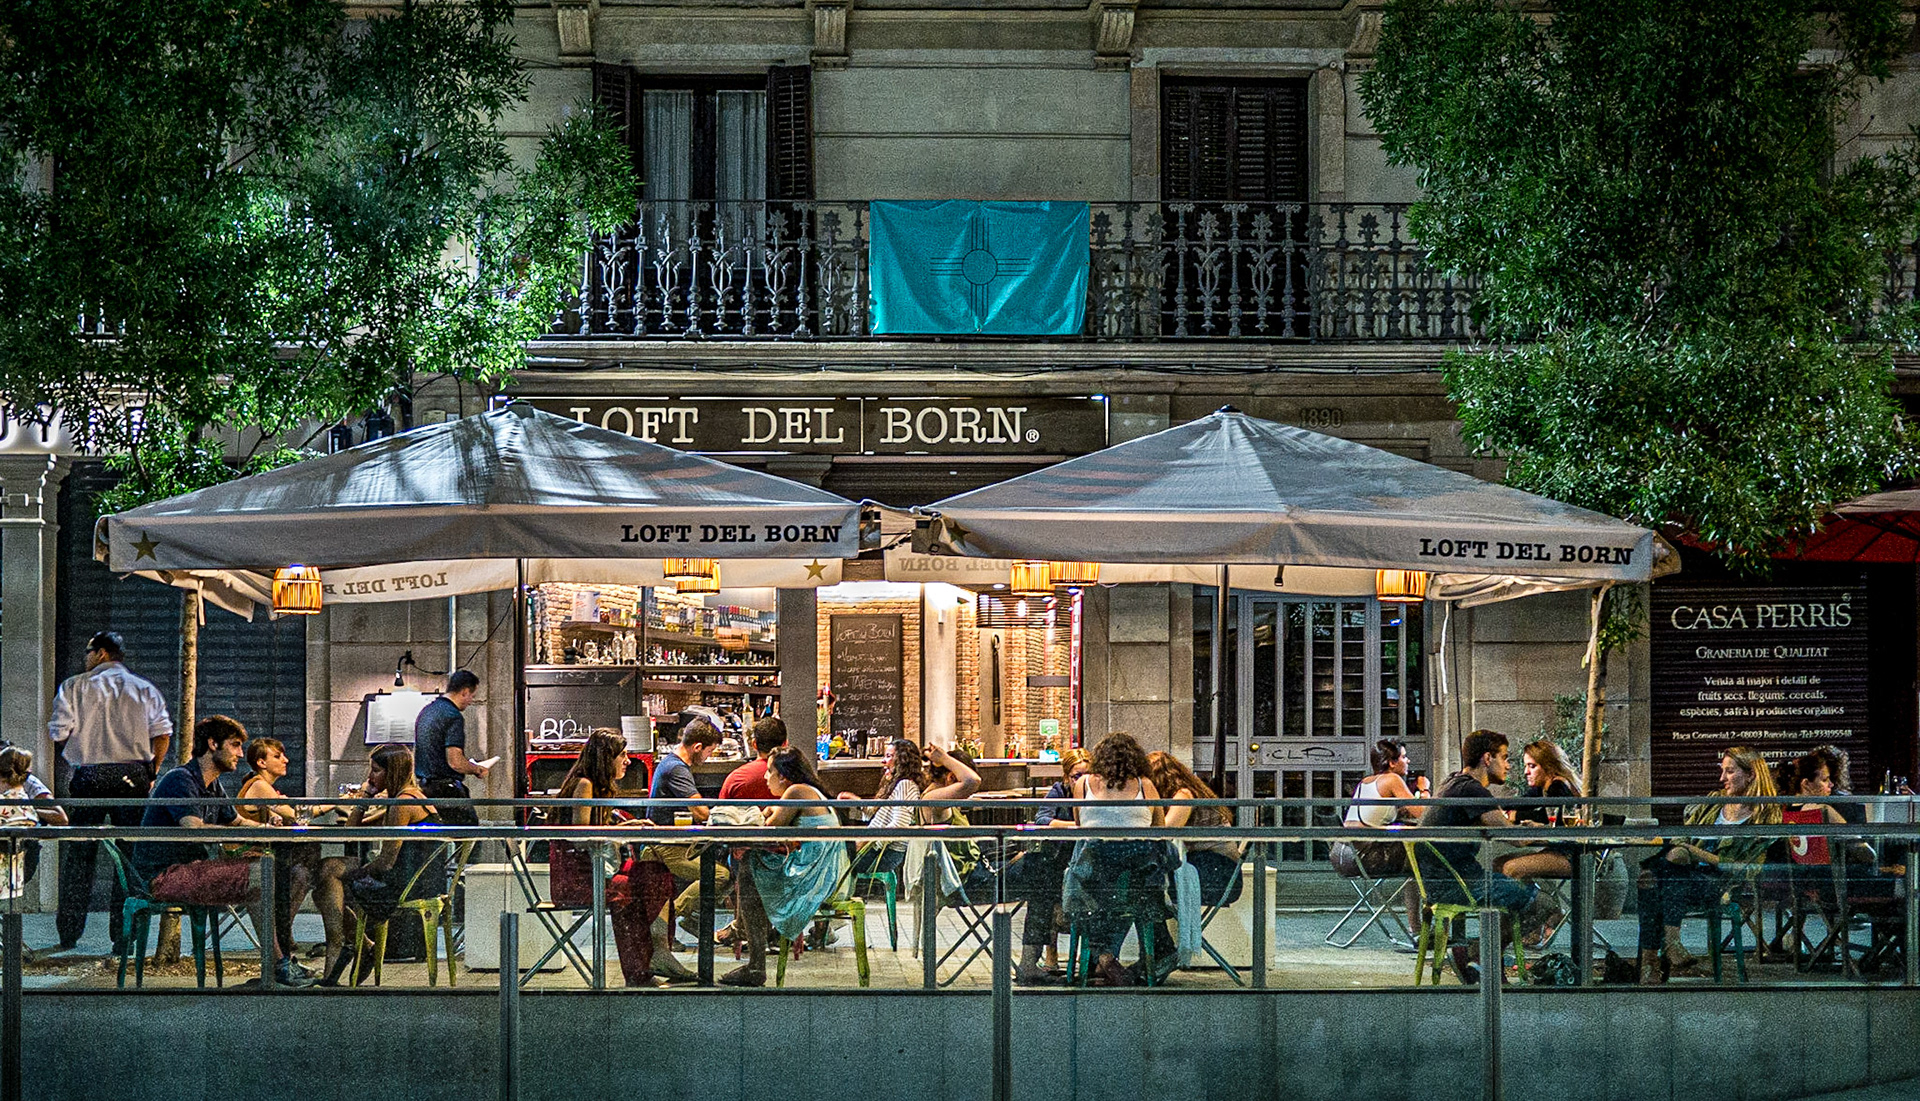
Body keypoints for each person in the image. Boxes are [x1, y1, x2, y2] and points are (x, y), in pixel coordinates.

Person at [137, 715, 314, 987]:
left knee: (281, 871)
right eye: (235, 745)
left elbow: (236, 821)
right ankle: (277, 964)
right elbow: (193, 827)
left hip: (192, 869)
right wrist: (249, 834)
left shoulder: (213, 785)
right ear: (212, 744)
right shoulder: (181, 779)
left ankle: (280, 960)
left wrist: (268, 828)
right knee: (260, 873)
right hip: (164, 875)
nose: (240, 754)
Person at [48, 630, 173, 953]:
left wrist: (81, 747)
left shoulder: (74, 686)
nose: (85, 658)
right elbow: (162, 734)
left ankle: (69, 933)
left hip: (89, 775)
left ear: (101, 653)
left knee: (79, 854)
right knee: (129, 857)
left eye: (88, 652)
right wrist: (151, 771)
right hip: (132, 776)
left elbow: (59, 731)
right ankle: (124, 937)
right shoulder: (144, 689)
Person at [1635, 744, 1780, 984]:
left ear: (1751, 774)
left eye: (1730, 771)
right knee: (1661, 877)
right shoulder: (1713, 801)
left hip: (1720, 884)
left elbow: (1747, 868)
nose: (1722, 778)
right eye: (1723, 770)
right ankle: (1669, 946)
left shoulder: (1766, 815)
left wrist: (1696, 853)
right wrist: (1683, 850)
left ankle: (1650, 963)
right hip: (1683, 874)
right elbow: (1684, 835)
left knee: (1651, 879)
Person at [549, 729, 677, 986]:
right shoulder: (585, 785)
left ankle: (659, 950)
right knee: (629, 890)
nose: (628, 760)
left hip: (597, 869)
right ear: (606, 759)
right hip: (580, 877)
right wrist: (621, 831)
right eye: (623, 755)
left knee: (655, 874)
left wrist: (624, 826)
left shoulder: (594, 786)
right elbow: (580, 835)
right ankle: (640, 971)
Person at [1414, 728, 1539, 983]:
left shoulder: (1452, 781)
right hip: (1458, 884)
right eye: (1504, 757)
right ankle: (1479, 955)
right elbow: (1514, 839)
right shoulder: (1472, 790)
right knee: (1539, 901)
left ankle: (1480, 958)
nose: (1508, 766)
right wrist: (1545, 831)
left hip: (1440, 881)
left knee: (1513, 887)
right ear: (1487, 758)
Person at [721, 746, 848, 987]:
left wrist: (769, 812)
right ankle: (752, 937)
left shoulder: (796, 791)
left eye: (770, 772)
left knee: (749, 866)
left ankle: (755, 962)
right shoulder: (809, 791)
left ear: (784, 776)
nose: (765, 777)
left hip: (815, 877)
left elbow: (770, 829)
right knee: (754, 868)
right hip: (822, 871)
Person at [316, 744, 442, 986]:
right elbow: (351, 832)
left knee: (328, 876)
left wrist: (360, 871)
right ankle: (358, 947)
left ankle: (347, 948)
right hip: (419, 880)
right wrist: (366, 797)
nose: (369, 777)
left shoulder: (402, 803)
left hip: (405, 885)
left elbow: (386, 861)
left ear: (391, 772)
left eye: (375, 771)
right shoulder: (409, 796)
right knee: (326, 882)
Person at [1056, 732, 1171, 986]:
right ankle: (1136, 961)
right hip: (1136, 878)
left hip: (1092, 877)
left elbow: (1080, 826)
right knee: (1132, 898)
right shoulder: (1145, 786)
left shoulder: (1082, 784)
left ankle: (1103, 957)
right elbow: (1160, 831)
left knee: (1095, 900)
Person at [236, 736, 332, 959]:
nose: (286, 760)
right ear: (261, 763)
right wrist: (339, 802)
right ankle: (282, 933)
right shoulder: (259, 785)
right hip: (253, 858)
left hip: (267, 854)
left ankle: (283, 930)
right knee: (305, 869)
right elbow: (298, 817)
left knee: (304, 868)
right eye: (278, 756)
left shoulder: (265, 787)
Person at [640, 720, 729, 946]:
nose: (709, 757)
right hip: (664, 845)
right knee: (721, 876)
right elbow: (700, 812)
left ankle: (691, 921)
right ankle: (666, 920)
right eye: (710, 751)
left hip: (671, 841)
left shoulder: (672, 763)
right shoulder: (677, 769)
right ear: (697, 747)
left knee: (723, 872)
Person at [1004, 747, 1091, 982]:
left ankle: (1090, 961)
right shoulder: (1059, 791)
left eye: (1087, 775)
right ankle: (1036, 962)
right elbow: (1042, 819)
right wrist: (1074, 826)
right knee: (1044, 889)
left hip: (1085, 864)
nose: (1082, 781)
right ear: (1066, 777)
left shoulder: (1096, 793)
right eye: (1076, 776)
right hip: (1058, 860)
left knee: (1043, 889)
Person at [1494, 739, 1583, 947]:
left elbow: (1550, 819)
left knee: (1511, 868)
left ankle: (1539, 916)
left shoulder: (1559, 786)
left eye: (1532, 766)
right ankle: (1542, 912)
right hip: (1555, 850)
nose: (1526, 772)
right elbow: (1522, 803)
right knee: (1498, 864)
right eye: (1525, 766)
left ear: (1549, 766)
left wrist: (1517, 816)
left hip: (1574, 855)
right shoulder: (1542, 787)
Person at [1146, 751, 1243, 905]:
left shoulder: (1183, 796)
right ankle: (1156, 925)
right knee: (1148, 884)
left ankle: (1154, 925)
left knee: (1147, 882)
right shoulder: (1190, 792)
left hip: (1216, 873)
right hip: (1221, 872)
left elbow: (1164, 832)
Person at [845, 738, 927, 889]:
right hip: (878, 851)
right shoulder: (897, 785)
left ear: (903, 761)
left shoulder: (906, 785)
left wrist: (868, 842)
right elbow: (877, 817)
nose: (883, 761)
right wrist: (857, 801)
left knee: (828, 852)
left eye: (889, 756)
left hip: (883, 854)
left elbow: (899, 825)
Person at [413, 670, 488, 827]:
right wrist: (477, 769)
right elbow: (455, 762)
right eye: (472, 696)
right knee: (469, 841)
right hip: (446, 792)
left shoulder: (427, 711)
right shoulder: (453, 716)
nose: (470, 701)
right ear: (464, 692)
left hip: (424, 789)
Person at [0, 745, 67, 898]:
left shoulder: (23, 790)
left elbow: (61, 817)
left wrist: (24, 810)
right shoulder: (22, 798)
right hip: (15, 866)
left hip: (16, 858)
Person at [719, 716, 788, 805]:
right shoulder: (794, 778)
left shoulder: (735, 778)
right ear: (785, 744)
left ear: (754, 744)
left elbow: (721, 814)